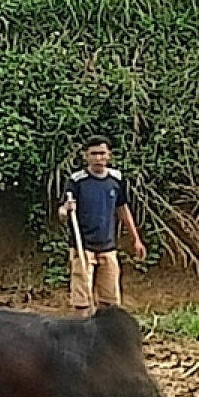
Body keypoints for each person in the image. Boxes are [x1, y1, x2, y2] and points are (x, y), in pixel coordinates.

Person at [57, 135, 147, 315]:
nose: (98, 158)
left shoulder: (116, 179)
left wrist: (136, 239)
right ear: (86, 156)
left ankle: (105, 338)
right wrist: (66, 209)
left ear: (109, 155)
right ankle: (80, 337)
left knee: (110, 301)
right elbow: (62, 213)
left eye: (102, 153)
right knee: (82, 302)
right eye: (94, 154)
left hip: (108, 247)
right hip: (83, 248)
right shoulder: (76, 181)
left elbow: (123, 209)